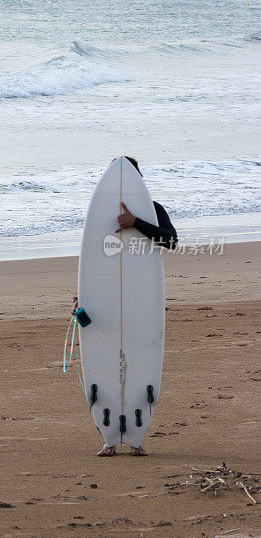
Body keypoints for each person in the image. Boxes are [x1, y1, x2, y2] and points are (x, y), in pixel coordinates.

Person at [73, 157, 178, 457]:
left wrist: (136, 223)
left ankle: (135, 433)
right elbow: (95, 266)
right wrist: (86, 297)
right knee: (105, 352)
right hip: (111, 305)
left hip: (141, 300)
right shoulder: (100, 215)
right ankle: (108, 435)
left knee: (137, 355)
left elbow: (170, 241)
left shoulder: (153, 210)